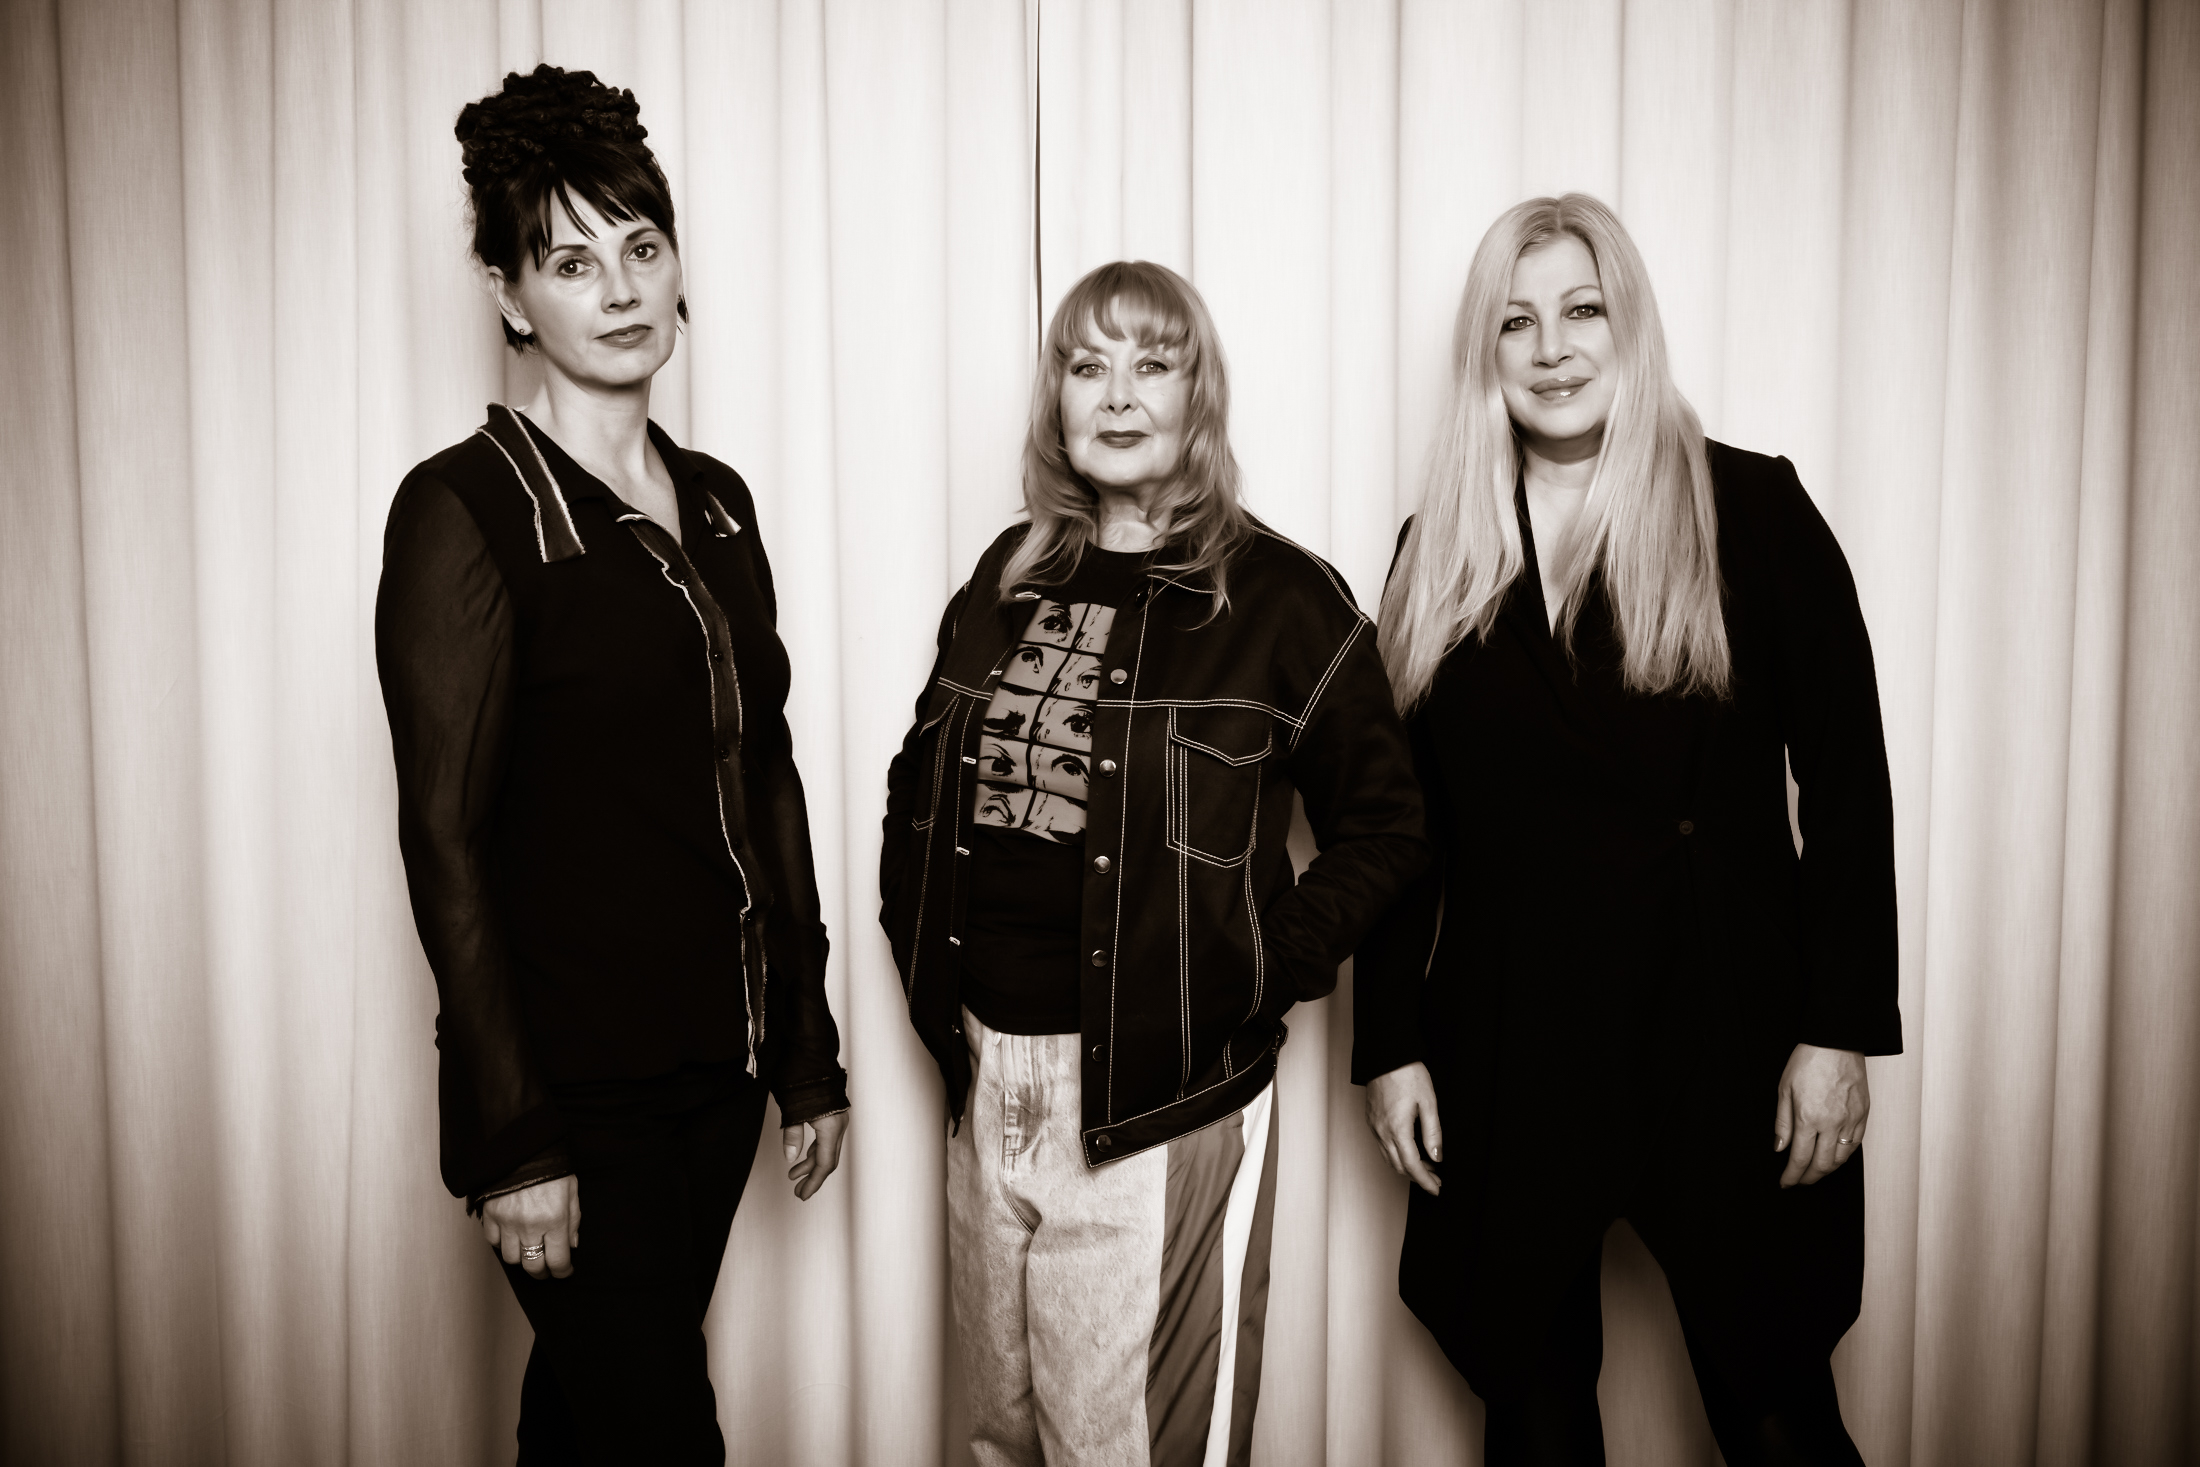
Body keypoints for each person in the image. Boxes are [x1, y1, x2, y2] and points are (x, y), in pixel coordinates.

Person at [1355, 193, 1900, 1467]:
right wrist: (1391, 1042)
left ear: (1629, 326)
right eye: (1516, 322)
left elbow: (1848, 783)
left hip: (1724, 1031)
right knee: (1535, 1423)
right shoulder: (1438, 547)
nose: (1552, 349)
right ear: (1484, 353)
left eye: (1582, 310)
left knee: (1777, 1415)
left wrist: (1837, 1031)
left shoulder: (1750, 508)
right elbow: (1398, 822)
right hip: (1511, 1045)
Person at [375, 64, 849, 1463]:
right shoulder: (466, 507)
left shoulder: (717, 502)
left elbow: (765, 772)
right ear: (512, 296)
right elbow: (443, 837)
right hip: (574, 1094)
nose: (624, 289)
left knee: (587, 1423)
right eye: (573, 262)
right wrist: (514, 1137)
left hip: (719, 1069)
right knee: (659, 1433)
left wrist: (807, 1047)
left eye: (643, 247)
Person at [881, 260, 1427, 1467]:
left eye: (1152, 364)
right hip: (985, 1082)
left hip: (1156, 1105)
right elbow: (919, 785)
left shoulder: (1279, 597)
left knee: (1125, 1452)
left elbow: (1388, 825)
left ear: (1199, 395)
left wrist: (1254, 972)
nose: (1117, 395)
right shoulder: (1006, 575)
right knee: (1000, 1441)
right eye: (1088, 366)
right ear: (1057, 399)